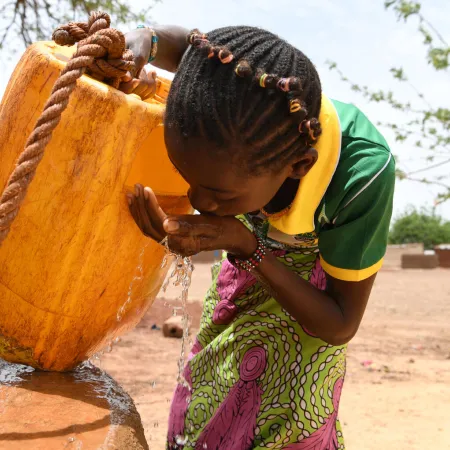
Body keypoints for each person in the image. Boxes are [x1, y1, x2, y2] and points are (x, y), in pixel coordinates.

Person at [123, 24, 395, 450]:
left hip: (311, 318)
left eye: (218, 193)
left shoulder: (359, 177)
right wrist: (145, 41)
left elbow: (340, 323)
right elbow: (196, 56)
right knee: (206, 400)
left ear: (300, 166)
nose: (196, 199)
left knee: (282, 423)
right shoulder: (244, 132)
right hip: (245, 266)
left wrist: (246, 245)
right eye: (187, 176)